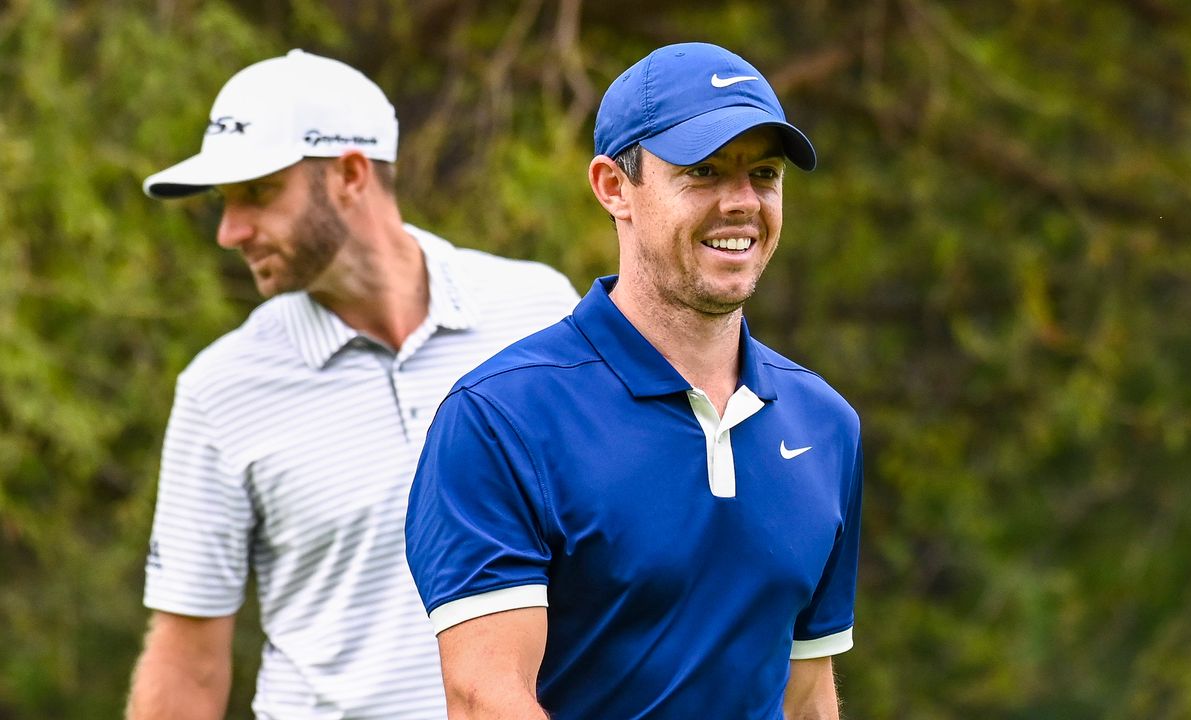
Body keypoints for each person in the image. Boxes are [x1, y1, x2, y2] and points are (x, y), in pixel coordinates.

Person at [405, 42, 864, 719]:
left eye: (763, 174)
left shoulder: (824, 424)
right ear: (614, 187)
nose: (741, 203)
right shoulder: (502, 418)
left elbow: (805, 692)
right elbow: (486, 699)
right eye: (704, 172)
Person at [126, 49, 579, 719]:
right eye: (226, 203)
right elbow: (187, 662)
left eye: (256, 193)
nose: (230, 231)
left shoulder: (538, 310)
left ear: (350, 173)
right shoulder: (220, 389)